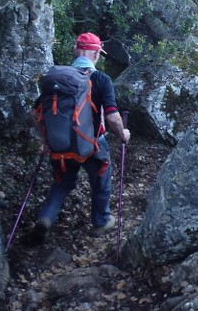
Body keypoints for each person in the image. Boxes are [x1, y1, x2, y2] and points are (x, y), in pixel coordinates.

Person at [32, 32, 130, 241]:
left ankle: (46, 218)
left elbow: (36, 112)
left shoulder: (57, 79)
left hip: (60, 145)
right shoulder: (101, 79)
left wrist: (46, 140)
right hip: (92, 146)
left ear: (75, 50)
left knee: (62, 183)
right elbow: (112, 117)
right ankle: (101, 221)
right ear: (96, 54)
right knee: (101, 181)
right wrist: (123, 134)